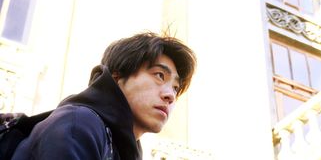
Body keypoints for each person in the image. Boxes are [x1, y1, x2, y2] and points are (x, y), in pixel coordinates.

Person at [11, 32, 196, 160]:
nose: (170, 95)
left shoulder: (122, 149)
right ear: (117, 77)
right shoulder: (79, 124)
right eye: (159, 75)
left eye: (175, 87)